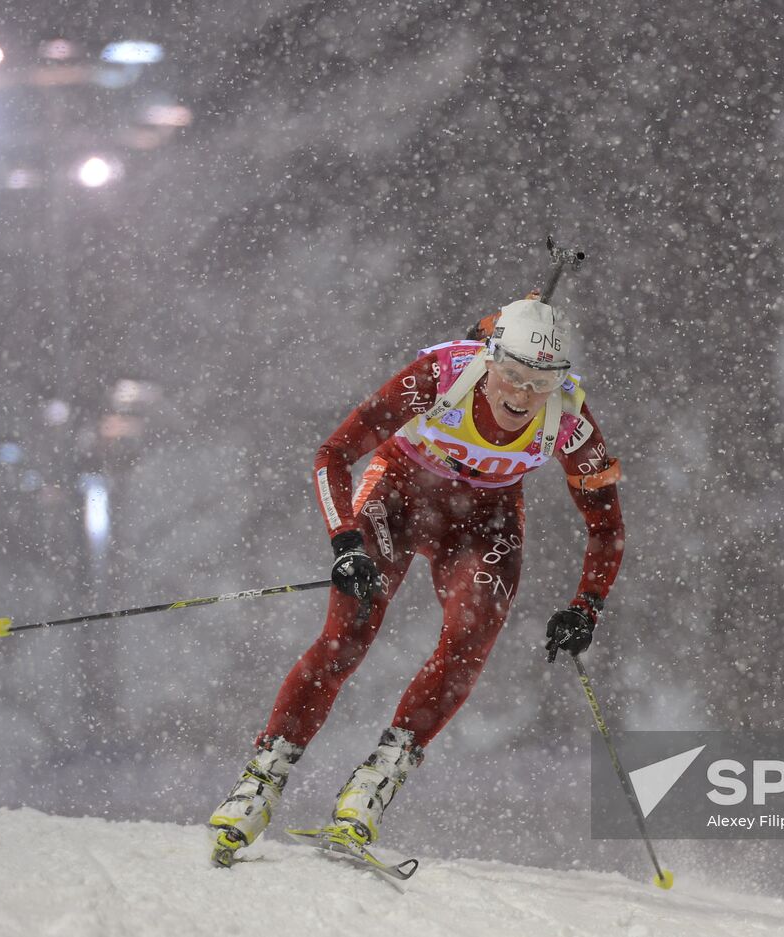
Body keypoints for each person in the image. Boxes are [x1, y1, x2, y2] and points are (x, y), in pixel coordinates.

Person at [208, 293, 624, 866]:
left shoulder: (571, 422)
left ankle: (372, 788)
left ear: (561, 379)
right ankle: (260, 782)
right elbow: (332, 454)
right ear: (489, 358)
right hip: (399, 498)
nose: (522, 396)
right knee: (347, 635)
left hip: (485, 521)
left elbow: (606, 527)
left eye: (540, 382)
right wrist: (345, 542)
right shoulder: (442, 374)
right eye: (510, 374)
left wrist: (588, 607)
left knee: (470, 639)